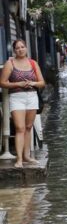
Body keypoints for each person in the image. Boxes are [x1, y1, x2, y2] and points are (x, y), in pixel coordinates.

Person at [0, 39, 45, 168]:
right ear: (14, 50)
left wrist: (33, 83)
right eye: (17, 48)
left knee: (29, 127)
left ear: (26, 48)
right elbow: (2, 82)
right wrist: (17, 84)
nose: (20, 49)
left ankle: (27, 156)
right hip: (16, 96)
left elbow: (42, 82)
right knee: (20, 128)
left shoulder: (33, 63)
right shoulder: (10, 63)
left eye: (22, 47)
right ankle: (19, 159)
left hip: (32, 96)